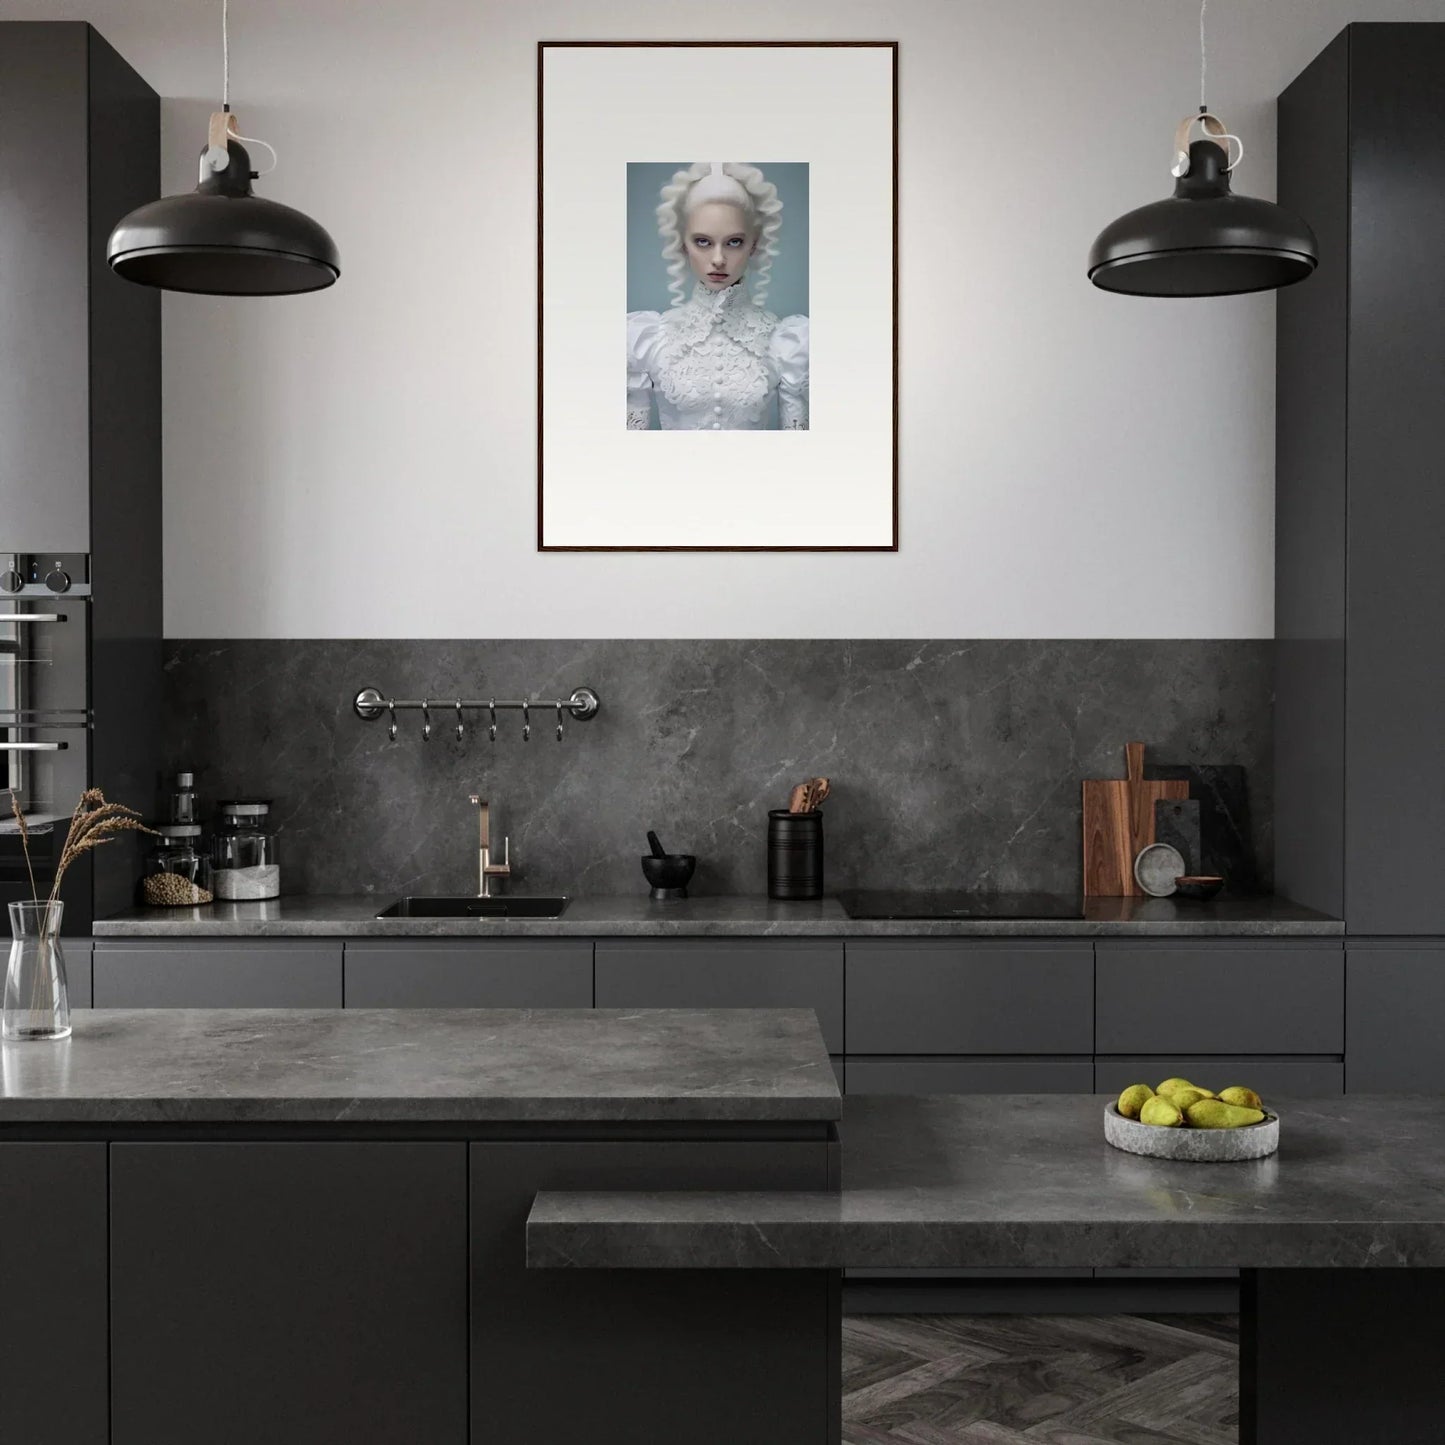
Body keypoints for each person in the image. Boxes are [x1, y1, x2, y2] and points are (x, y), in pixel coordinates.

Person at [627, 162, 808, 431]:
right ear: (683, 244)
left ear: (754, 245)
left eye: (734, 242)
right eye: (703, 241)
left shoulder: (786, 342)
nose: (718, 259)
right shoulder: (648, 338)